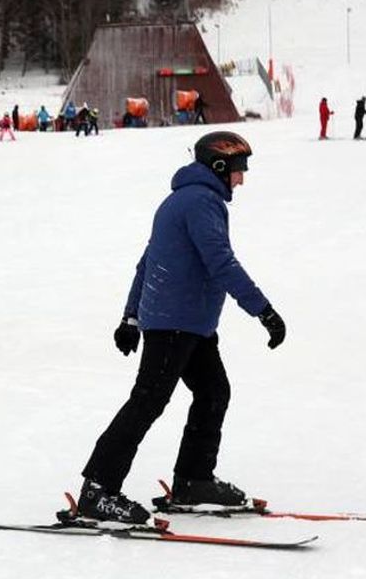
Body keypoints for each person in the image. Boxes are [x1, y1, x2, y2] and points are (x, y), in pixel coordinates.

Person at [75, 131, 285, 525]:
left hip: (192, 324)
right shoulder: (200, 202)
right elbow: (220, 263)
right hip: (176, 322)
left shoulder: (180, 201)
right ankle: (97, 490)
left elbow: (147, 261)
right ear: (219, 167)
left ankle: (193, 480)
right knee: (148, 401)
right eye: (239, 170)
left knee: (212, 392)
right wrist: (264, 311)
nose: (241, 179)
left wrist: (131, 317)